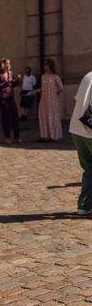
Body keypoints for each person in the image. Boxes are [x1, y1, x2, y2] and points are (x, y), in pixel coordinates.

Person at [69, 71, 92, 215]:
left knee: (89, 169)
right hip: (89, 131)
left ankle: (83, 206)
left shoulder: (88, 75)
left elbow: (79, 99)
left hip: (77, 129)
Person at [0, 58, 21, 144]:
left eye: (9, 63)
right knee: (6, 118)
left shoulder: (10, 73)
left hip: (11, 97)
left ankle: (17, 137)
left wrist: (16, 81)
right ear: (3, 64)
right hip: (3, 98)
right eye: (7, 63)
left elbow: (12, 85)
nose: (9, 65)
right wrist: (7, 83)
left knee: (15, 117)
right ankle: (7, 137)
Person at [38, 58, 63, 142]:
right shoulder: (43, 76)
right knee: (44, 116)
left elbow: (61, 88)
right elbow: (42, 88)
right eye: (44, 64)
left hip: (52, 100)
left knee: (52, 117)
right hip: (44, 99)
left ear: (50, 65)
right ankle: (45, 135)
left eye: (46, 64)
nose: (44, 66)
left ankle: (53, 135)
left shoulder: (55, 76)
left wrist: (54, 94)